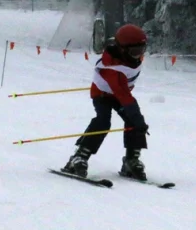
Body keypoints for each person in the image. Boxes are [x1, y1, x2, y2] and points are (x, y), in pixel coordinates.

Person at [62, 24, 150, 180]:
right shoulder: (112, 69)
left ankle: (131, 159)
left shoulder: (128, 57)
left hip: (119, 94)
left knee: (133, 121)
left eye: (142, 50)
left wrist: (136, 120)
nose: (139, 55)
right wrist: (138, 119)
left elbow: (124, 95)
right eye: (135, 52)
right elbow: (125, 97)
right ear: (123, 49)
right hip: (102, 95)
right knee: (103, 122)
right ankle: (79, 157)